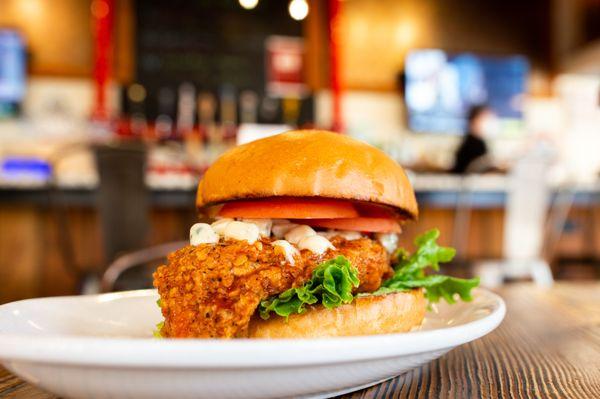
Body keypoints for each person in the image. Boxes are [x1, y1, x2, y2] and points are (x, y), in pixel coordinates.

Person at [450, 105, 495, 174]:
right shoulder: (474, 144)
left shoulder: (475, 141)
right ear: (475, 120)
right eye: (486, 119)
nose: (490, 122)